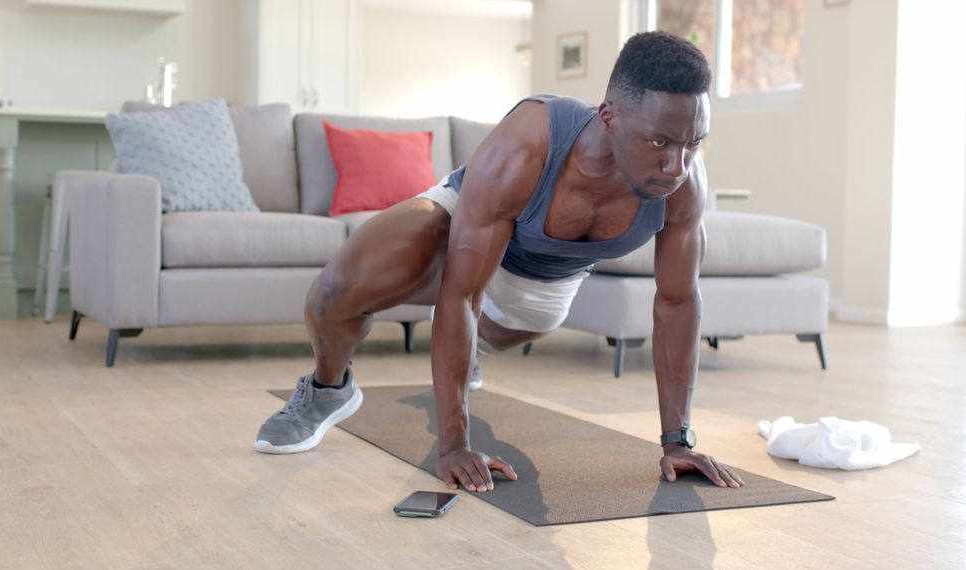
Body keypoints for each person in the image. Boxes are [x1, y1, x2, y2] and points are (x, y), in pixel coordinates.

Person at [255, 31, 746, 492]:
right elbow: (462, 293)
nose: (676, 166)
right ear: (609, 117)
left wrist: (677, 440)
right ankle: (327, 388)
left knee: (498, 333)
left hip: (546, 281)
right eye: (660, 142)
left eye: (694, 142)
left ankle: (468, 355)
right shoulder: (531, 141)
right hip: (461, 224)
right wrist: (454, 445)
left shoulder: (684, 184)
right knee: (334, 293)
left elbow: (677, 303)